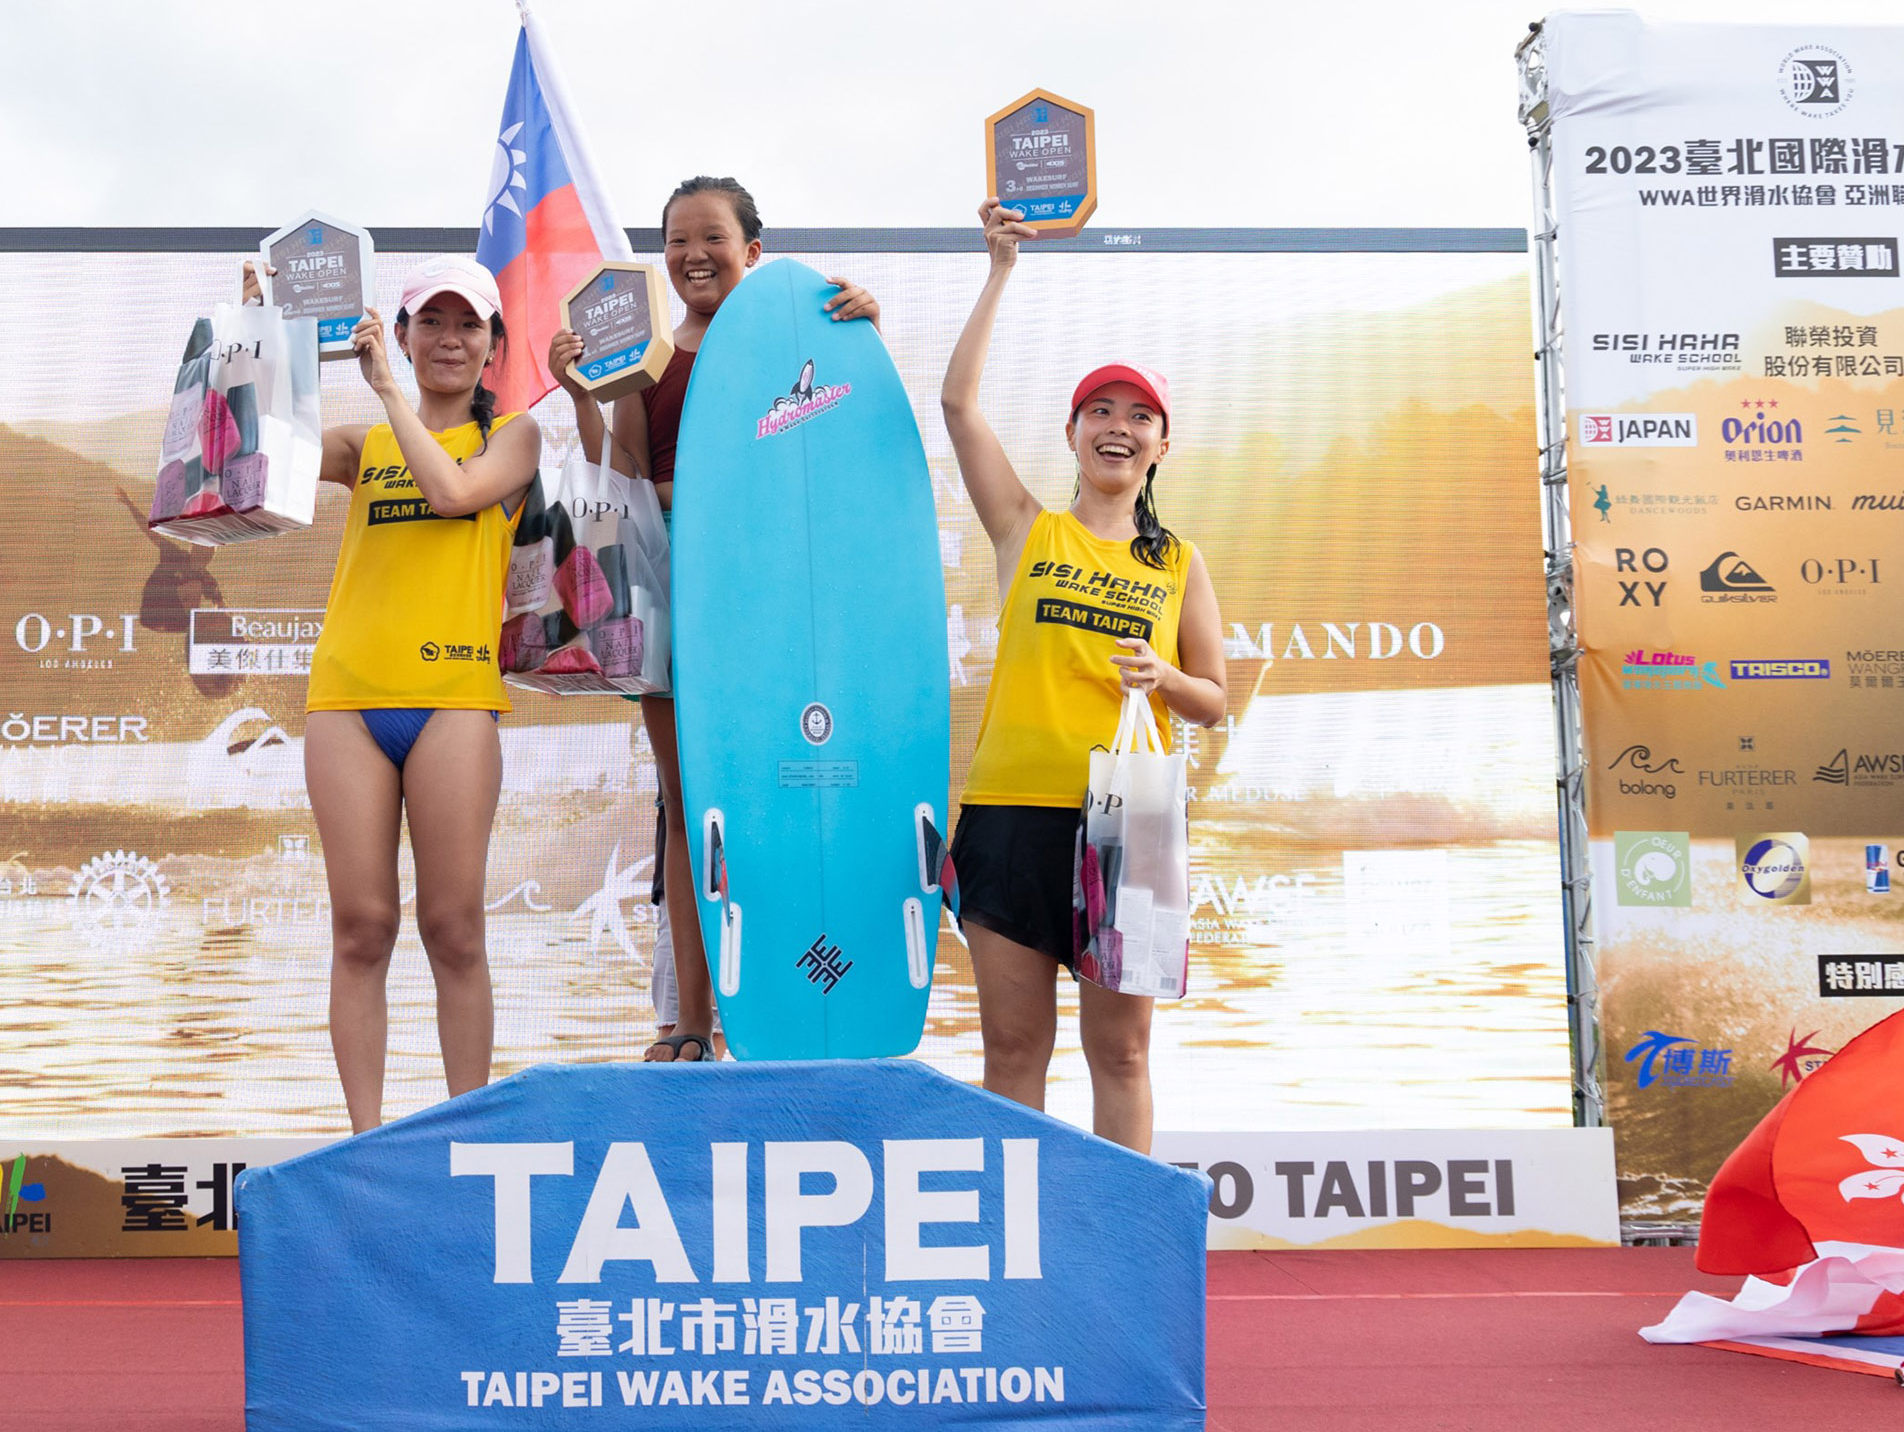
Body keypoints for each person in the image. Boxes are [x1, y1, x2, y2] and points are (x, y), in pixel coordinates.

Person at [547, 177, 877, 1061]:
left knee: (788, 787)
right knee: (690, 803)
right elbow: (613, 475)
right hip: (670, 579)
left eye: (714, 238)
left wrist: (863, 328)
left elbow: (847, 436)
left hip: (776, 586)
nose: (694, 254)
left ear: (753, 251)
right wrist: (584, 392)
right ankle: (693, 1020)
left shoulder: (798, 333)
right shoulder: (641, 351)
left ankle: (800, 1002)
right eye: (678, 240)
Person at [938, 199, 1229, 1152]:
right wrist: (999, 271)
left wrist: (1164, 675)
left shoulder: (1177, 562)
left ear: (1161, 446)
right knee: (1014, 1048)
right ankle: (1018, 1237)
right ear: (1072, 432)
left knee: (1125, 1054)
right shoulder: (1028, 531)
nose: (1119, 427)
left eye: (1139, 415)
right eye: (1101, 410)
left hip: (1131, 820)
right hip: (1012, 812)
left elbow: (1216, 700)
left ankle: (1120, 1248)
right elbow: (958, 407)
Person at [267, 253, 543, 1129]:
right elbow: (256, 445)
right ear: (405, 333)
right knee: (361, 927)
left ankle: (463, 1136)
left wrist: (389, 392)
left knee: (454, 929)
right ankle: (366, 1141)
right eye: (433, 322)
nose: (450, 340)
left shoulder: (515, 437)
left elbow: (455, 493)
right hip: (347, 697)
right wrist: (261, 345)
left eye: (469, 325)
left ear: (494, 345)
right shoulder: (361, 444)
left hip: (453, 699)